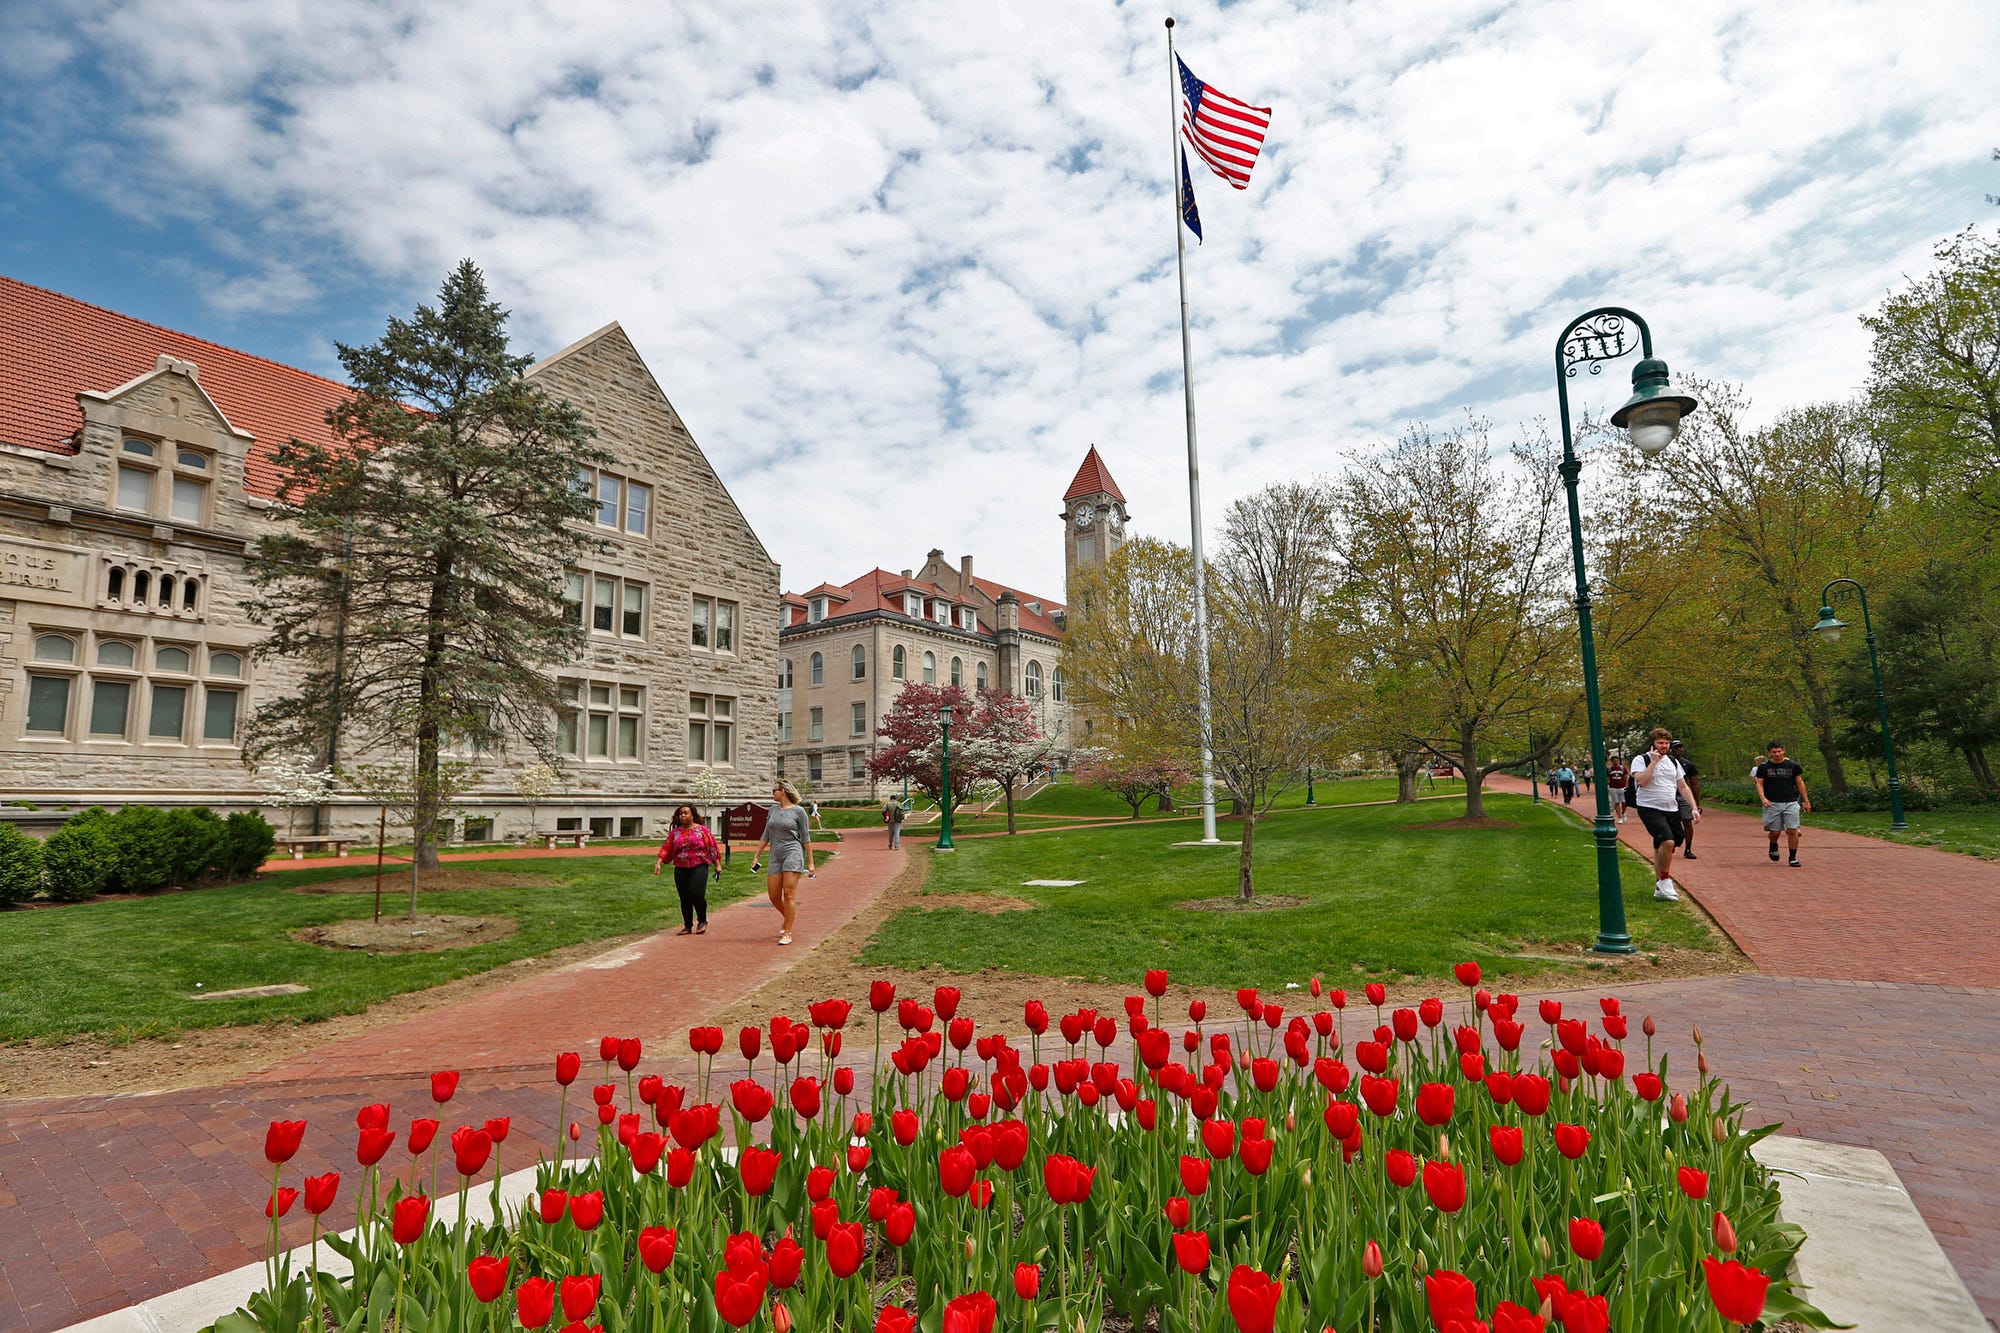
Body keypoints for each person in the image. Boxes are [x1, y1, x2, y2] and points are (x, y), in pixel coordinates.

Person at [1630, 727, 1701, 901]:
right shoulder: (1641, 760)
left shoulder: (1673, 762)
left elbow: (1683, 786)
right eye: (1660, 743)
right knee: (1667, 842)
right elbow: (1642, 782)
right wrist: (1653, 762)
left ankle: (1658, 887)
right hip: (1649, 807)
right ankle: (1665, 879)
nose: (1664, 746)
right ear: (1652, 744)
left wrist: (1693, 807)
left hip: (1671, 808)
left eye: (1666, 743)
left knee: (1669, 843)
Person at [752, 780, 815, 946]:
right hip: (775, 855)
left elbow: (806, 837)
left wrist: (811, 862)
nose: (772, 793)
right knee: (773, 896)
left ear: (783, 791)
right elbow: (766, 834)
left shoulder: (799, 811)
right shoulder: (772, 810)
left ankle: (787, 932)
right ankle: (789, 916)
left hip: (793, 853)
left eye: (774, 790)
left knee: (788, 894)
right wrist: (756, 856)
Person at [653, 804, 721, 936]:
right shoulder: (676, 832)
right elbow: (667, 848)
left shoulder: (702, 831)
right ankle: (687, 925)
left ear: (692, 815)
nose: (682, 815)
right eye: (680, 814)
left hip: (699, 866)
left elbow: (711, 847)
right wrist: (659, 863)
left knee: (696, 893)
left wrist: (717, 864)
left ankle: (702, 921)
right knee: (684, 898)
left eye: (685, 813)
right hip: (680, 868)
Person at [1753, 740, 1812, 867]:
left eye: (1779, 751)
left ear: (1783, 750)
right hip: (1772, 803)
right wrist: (1763, 798)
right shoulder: (1764, 767)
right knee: (1775, 832)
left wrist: (1806, 801)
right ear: (1769, 753)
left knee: (1792, 830)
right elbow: (1759, 783)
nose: (1777, 754)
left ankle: (1793, 858)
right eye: (1774, 752)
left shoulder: (1792, 765)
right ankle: (1773, 845)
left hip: (1790, 801)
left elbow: (1800, 783)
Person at [1668, 741, 1703, 861]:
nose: (1679, 750)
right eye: (1676, 748)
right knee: (1671, 821)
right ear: (1671, 749)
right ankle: (1670, 843)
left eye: (1680, 748)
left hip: (1682, 796)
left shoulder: (1688, 764)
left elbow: (1694, 784)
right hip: (1669, 795)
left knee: (1687, 821)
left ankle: (1688, 849)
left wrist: (1697, 802)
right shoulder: (1666, 763)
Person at [1606, 756, 1629, 824]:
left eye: (1617, 760)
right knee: (1616, 802)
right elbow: (1607, 777)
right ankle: (1619, 817)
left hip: (1622, 787)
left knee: (1624, 802)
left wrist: (1626, 785)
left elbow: (1626, 777)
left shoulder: (1622, 768)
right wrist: (1608, 784)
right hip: (1613, 787)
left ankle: (1623, 812)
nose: (1616, 762)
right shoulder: (1609, 769)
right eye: (1614, 761)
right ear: (1612, 761)